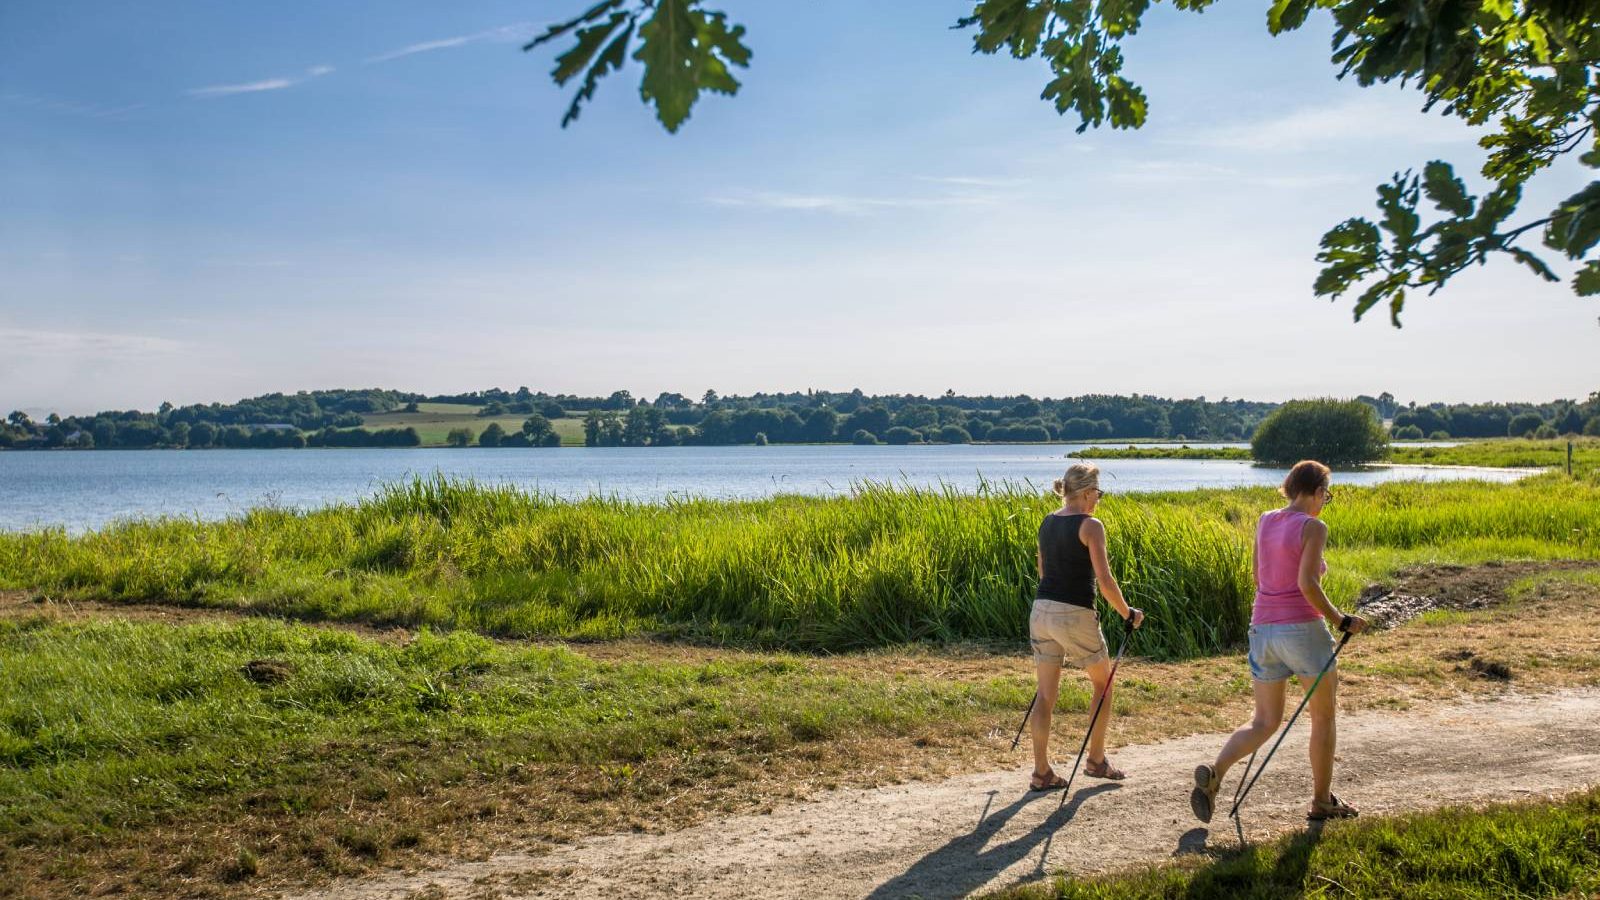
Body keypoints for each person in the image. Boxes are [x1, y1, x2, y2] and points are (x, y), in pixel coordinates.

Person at [1190, 459, 1368, 822]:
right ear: (1318, 492)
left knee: (1264, 721)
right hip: (1302, 629)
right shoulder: (1314, 527)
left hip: (1262, 628)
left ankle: (1216, 772)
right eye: (1326, 495)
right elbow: (1307, 584)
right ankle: (1321, 802)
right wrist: (1341, 620)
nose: (1325, 502)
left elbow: (1258, 576)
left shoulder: (1265, 520)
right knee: (1323, 716)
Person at [1026, 462, 1144, 791]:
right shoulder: (1091, 526)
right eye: (1099, 493)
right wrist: (1127, 613)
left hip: (1041, 610)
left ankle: (1041, 772)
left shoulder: (1047, 522)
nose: (1099, 499)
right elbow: (1105, 582)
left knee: (1046, 695)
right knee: (1103, 684)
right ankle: (1095, 760)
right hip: (1074, 613)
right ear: (1088, 492)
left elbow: (1042, 571)